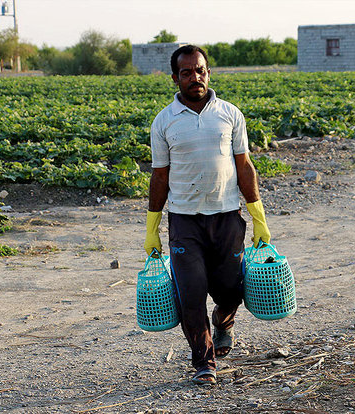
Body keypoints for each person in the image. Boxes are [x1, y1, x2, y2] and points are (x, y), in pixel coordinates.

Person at [143, 45, 271, 386]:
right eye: (186, 72)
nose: (194, 77)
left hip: (227, 217)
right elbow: (160, 175)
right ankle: (204, 362)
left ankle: (224, 321)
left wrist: (258, 216)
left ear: (208, 73)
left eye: (200, 70)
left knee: (230, 289)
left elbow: (244, 167)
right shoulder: (164, 121)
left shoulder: (230, 114)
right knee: (191, 292)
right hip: (185, 221)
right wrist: (152, 227)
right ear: (175, 78)